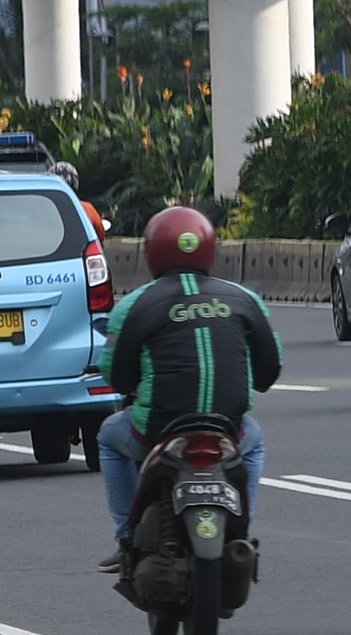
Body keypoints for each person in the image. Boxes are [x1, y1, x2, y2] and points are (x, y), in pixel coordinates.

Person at [93, 207, 280, 568]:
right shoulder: (245, 300)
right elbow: (269, 373)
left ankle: (126, 536)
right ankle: (240, 527)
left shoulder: (134, 305)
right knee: (254, 441)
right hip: (228, 431)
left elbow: (117, 377)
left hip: (155, 432)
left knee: (108, 437)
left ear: (151, 251)